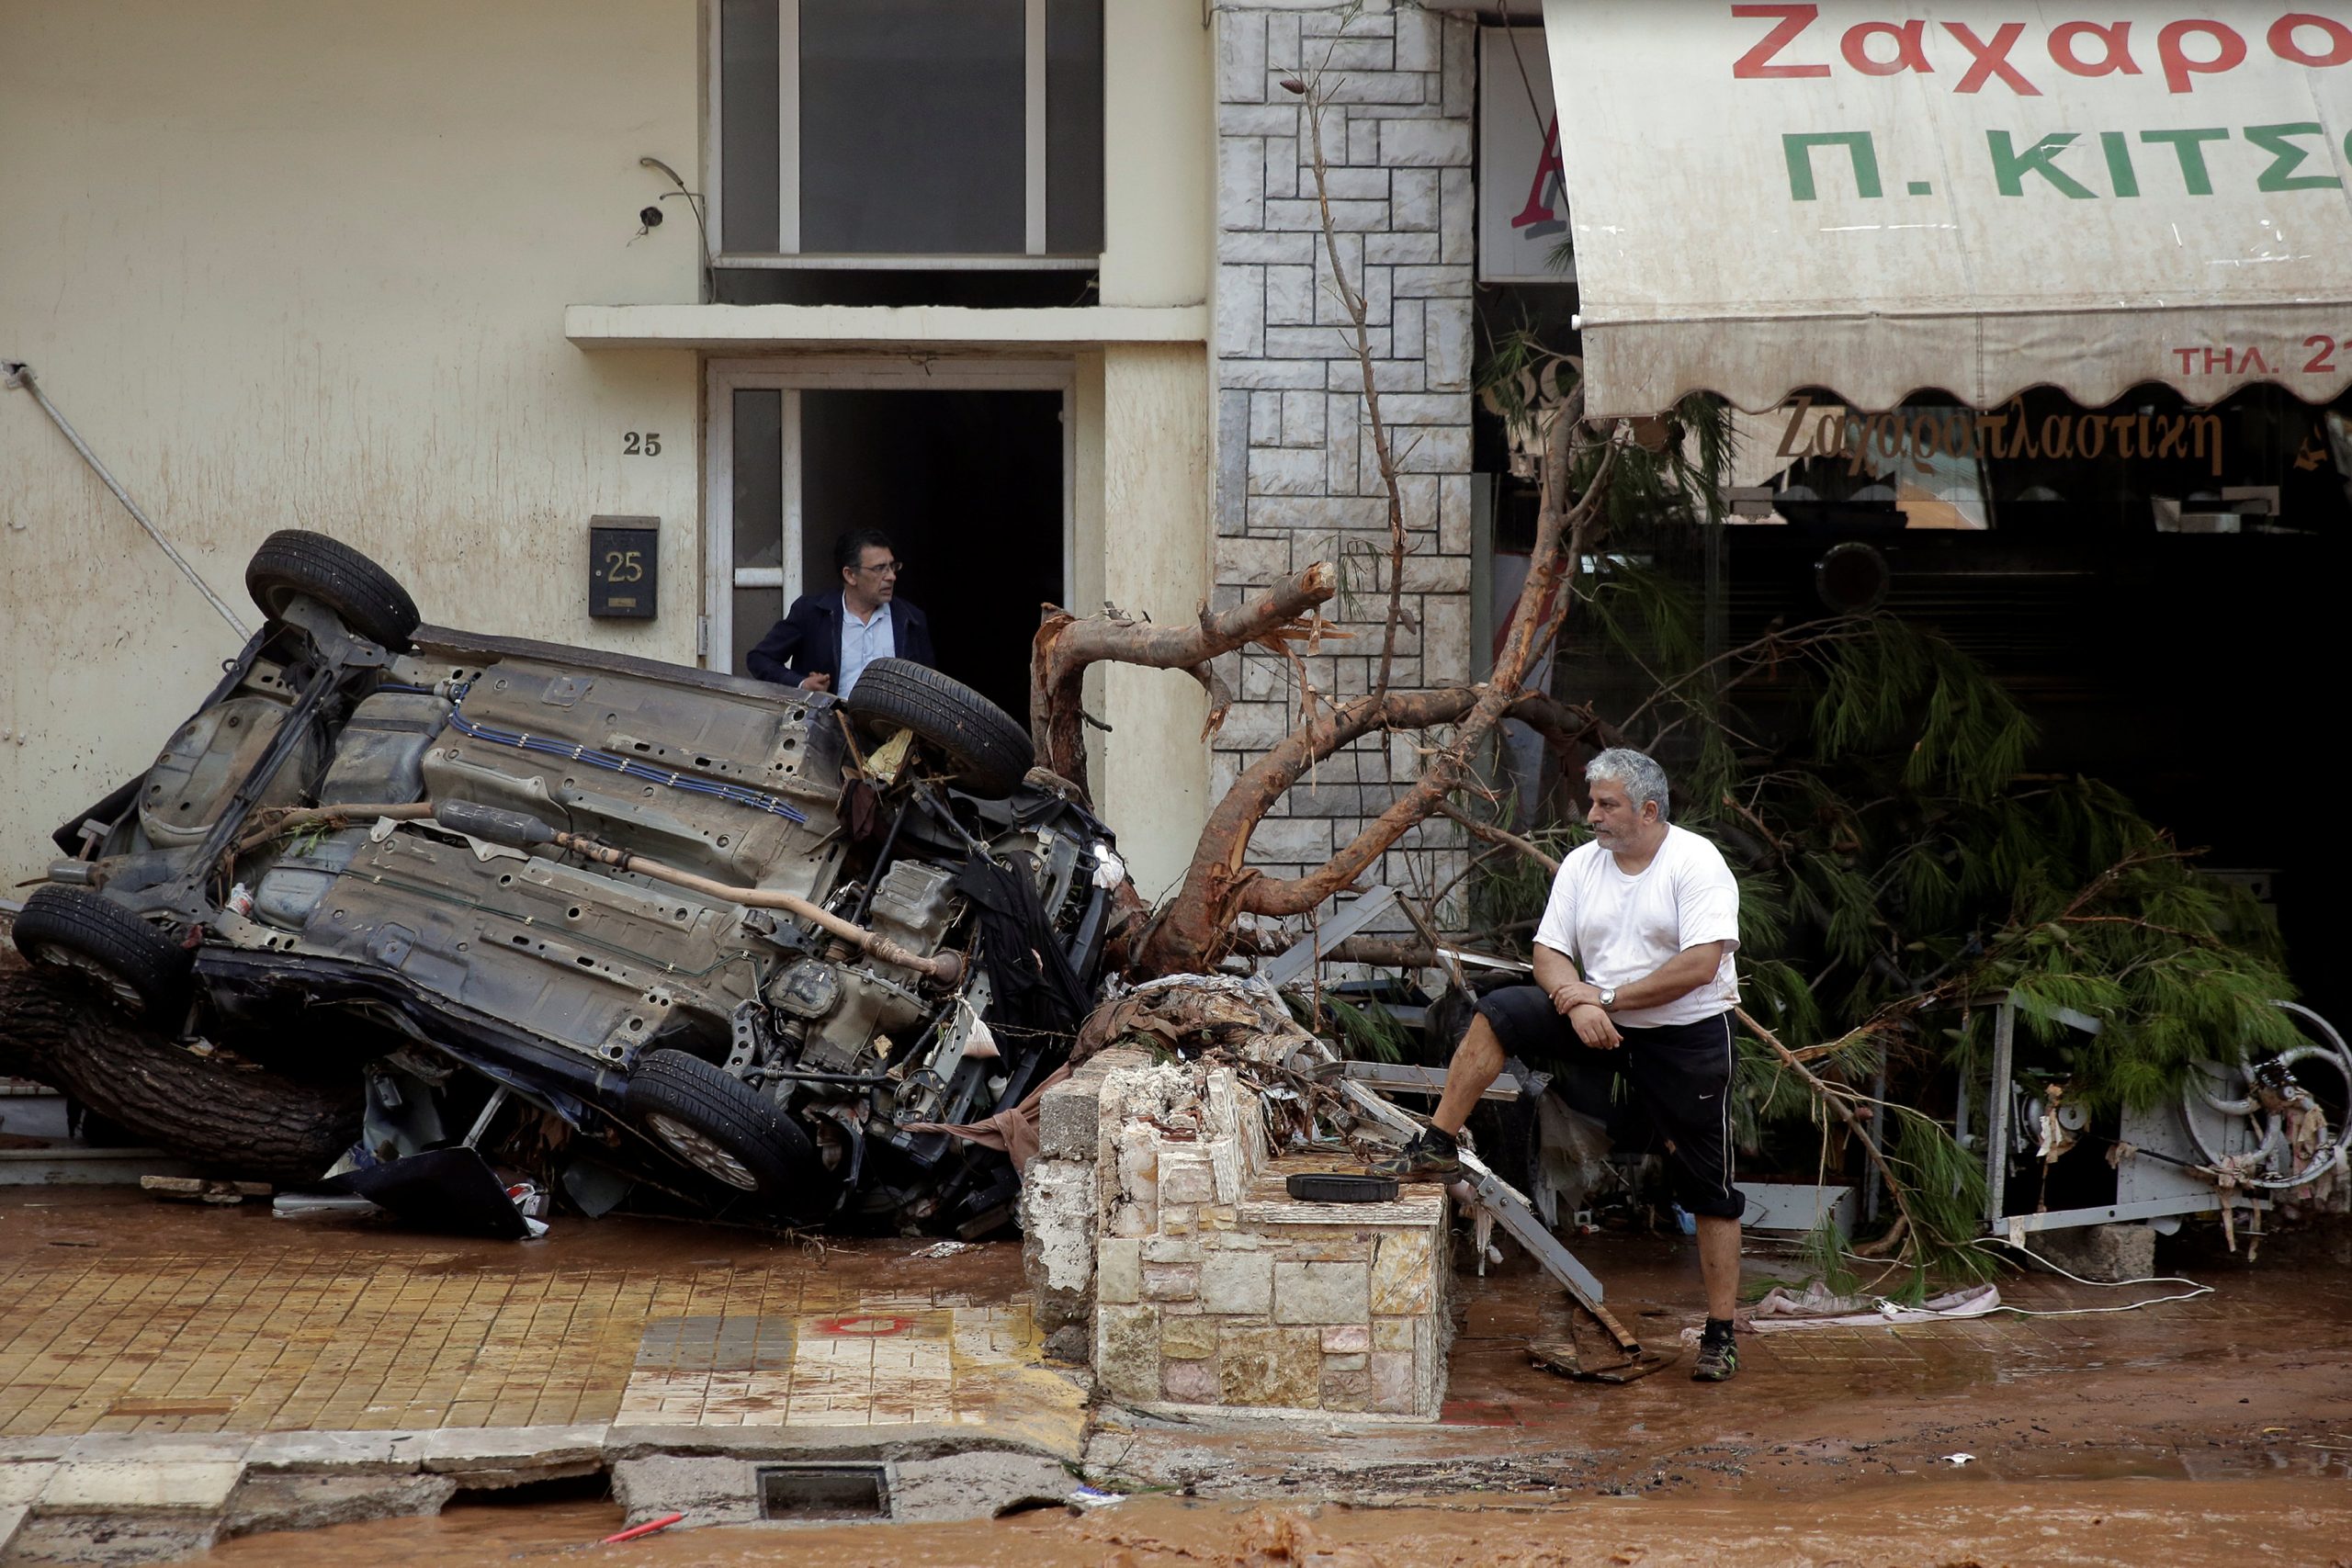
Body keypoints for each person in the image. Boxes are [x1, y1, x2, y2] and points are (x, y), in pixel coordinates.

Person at [1374, 747, 1747, 1382]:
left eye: (1607, 805)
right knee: (1502, 1010)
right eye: (1592, 801)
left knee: (1707, 1186)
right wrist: (1575, 1003)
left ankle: (1720, 1331)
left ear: (1648, 810)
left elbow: (1701, 964)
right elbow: (1549, 952)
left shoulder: (1695, 862)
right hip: (1596, 1014)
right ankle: (1436, 1142)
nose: (1592, 815)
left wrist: (1604, 997)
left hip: (1682, 1033)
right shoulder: (1583, 864)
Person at [744, 528, 935, 699]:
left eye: (893, 567)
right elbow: (760, 659)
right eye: (879, 569)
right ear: (850, 575)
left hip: (893, 733)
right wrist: (801, 684)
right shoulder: (812, 612)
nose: (891, 576)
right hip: (828, 728)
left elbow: (930, 688)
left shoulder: (911, 620)